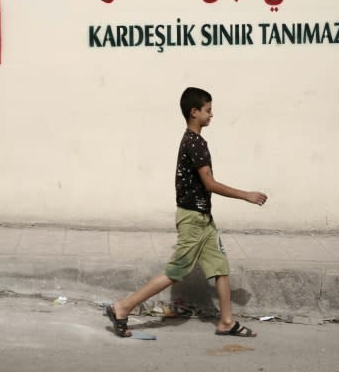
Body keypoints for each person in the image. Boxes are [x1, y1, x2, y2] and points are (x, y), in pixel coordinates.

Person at [107, 87, 268, 338]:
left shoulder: (192, 141)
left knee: (220, 267)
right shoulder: (195, 143)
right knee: (175, 272)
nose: (212, 115)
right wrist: (246, 195)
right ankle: (123, 306)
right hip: (193, 219)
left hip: (203, 219)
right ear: (194, 112)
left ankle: (226, 321)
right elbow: (210, 184)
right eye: (208, 110)